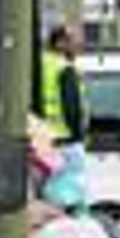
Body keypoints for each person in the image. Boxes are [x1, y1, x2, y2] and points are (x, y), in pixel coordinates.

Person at [39, 24, 88, 213]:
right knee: (72, 199)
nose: (78, 45)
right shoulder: (64, 68)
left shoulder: (40, 64)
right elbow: (72, 109)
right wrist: (78, 135)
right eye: (73, 41)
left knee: (48, 196)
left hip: (42, 141)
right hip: (66, 142)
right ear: (60, 43)